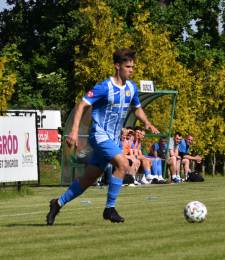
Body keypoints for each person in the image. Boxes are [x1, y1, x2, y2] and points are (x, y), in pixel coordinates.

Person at [46, 48, 159, 225]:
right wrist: (74, 131)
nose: (131, 70)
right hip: (99, 135)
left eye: (132, 67)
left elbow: (136, 108)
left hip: (113, 139)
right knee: (123, 163)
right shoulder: (104, 87)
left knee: (89, 178)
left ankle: (57, 203)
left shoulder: (132, 87)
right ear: (117, 66)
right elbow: (81, 105)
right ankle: (110, 209)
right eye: (128, 66)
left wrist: (146, 122)